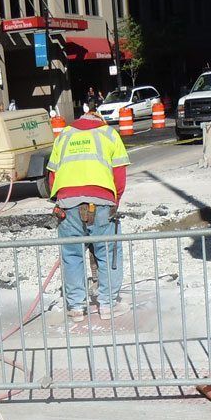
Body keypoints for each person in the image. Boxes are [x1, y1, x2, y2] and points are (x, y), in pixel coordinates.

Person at [46, 102, 130, 322]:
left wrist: (61, 200)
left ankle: (76, 308)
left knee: (72, 255)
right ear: (100, 119)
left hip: (67, 204)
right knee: (108, 253)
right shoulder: (109, 134)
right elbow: (119, 176)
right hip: (101, 201)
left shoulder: (64, 136)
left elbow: (52, 176)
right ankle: (108, 305)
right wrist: (115, 201)